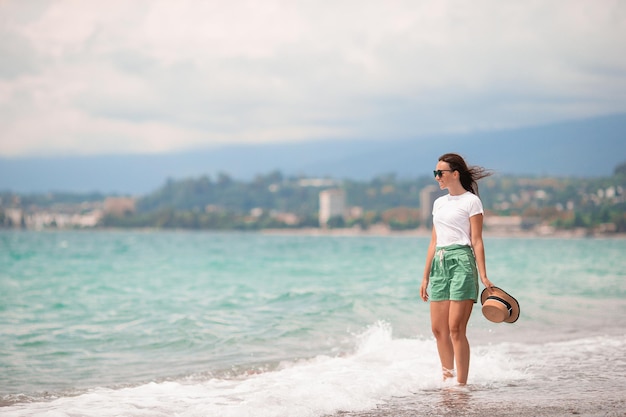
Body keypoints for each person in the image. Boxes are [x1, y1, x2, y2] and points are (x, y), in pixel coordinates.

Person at [419, 153, 494, 385]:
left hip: (462, 261)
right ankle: (447, 379)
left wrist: (483, 275)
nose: (436, 177)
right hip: (439, 264)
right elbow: (434, 241)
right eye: (435, 173)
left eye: (440, 173)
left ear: (455, 174)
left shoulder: (472, 201)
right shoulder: (438, 203)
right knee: (438, 329)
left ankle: (461, 386)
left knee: (455, 328)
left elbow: (477, 241)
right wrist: (425, 277)